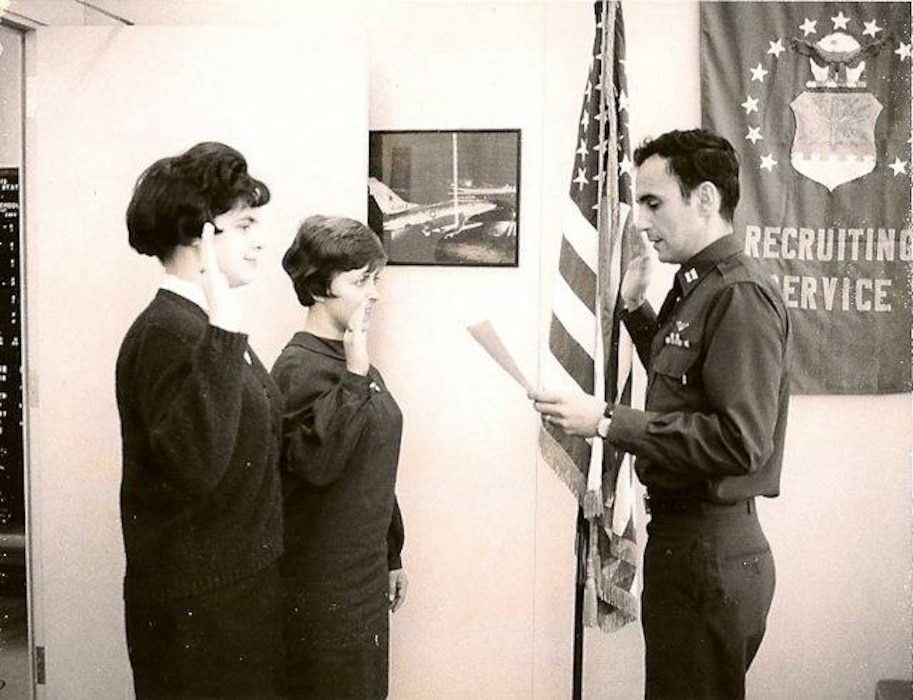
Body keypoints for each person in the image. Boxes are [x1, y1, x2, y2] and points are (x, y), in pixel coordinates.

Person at [531, 129, 790, 699]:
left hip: (709, 548)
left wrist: (607, 421)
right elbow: (686, 386)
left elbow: (740, 442)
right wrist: (633, 309)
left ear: (704, 199)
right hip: (688, 545)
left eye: (653, 203)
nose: (641, 222)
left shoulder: (737, 295)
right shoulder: (700, 289)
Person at [116, 142, 284, 698]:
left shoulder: (200, 326)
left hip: (234, 601)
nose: (260, 239)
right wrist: (226, 324)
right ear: (200, 235)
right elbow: (196, 466)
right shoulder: (170, 333)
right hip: (197, 617)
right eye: (245, 224)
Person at [272, 214, 407, 699]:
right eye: (361, 280)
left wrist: (392, 554)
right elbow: (318, 465)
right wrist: (354, 374)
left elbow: (374, 465)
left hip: (363, 580)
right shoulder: (297, 368)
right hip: (322, 590)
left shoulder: (355, 359)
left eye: (377, 279)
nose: (375, 293)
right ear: (318, 286)